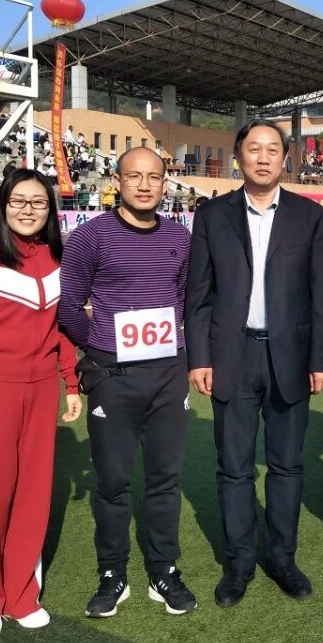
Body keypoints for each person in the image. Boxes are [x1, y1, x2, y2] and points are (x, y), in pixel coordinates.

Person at [185, 119, 323, 608]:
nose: (264, 157)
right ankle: (239, 561)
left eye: (273, 149)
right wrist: (199, 357)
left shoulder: (311, 217)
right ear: (238, 157)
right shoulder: (212, 216)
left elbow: (321, 296)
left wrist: (321, 360)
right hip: (232, 354)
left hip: (290, 357)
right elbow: (198, 295)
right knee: (234, 468)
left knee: (287, 466)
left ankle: (282, 558)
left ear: (286, 159)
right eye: (254, 149)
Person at [58, 147, 196, 618]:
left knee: (164, 480)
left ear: (165, 183)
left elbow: (182, 300)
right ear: (116, 182)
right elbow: (69, 307)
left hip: (167, 375)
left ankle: (164, 569)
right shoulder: (90, 237)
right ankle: (112, 573)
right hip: (111, 376)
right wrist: (102, 343)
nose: (144, 185)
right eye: (134, 176)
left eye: (153, 177)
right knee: (113, 482)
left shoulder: (180, 237)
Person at [0, 168, 82, 638]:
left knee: (34, 495)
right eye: (19, 201)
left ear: (50, 210)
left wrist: (71, 384)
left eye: (38, 202)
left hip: (42, 391)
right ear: (4, 205)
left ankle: (22, 595)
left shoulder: (61, 260)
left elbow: (63, 330)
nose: (28, 210)